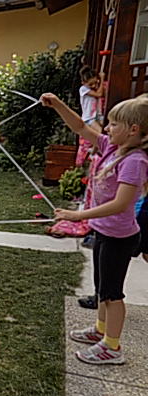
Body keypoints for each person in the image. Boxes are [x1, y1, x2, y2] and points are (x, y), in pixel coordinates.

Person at [42, 92, 148, 365]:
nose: (107, 128)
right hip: (104, 232)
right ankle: (101, 330)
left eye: (114, 124)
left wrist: (79, 215)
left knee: (113, 294)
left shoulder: (135, 161)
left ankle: (112, 347)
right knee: (102, 288)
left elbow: (120, 203)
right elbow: (80, 126)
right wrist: (57, 104)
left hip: (119, 238)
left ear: (133, 130)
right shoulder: (113, 147)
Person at [79, 66, 105, 133]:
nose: (93, 86)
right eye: (90, 84)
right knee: (101, 132)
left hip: (97, 116)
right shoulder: (83, 89)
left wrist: (99, 83)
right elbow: (99, 94)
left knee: (106, 128)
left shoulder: (94, 89)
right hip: (89, 118)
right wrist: (102, 79)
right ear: (83, 83)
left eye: (95, 83)